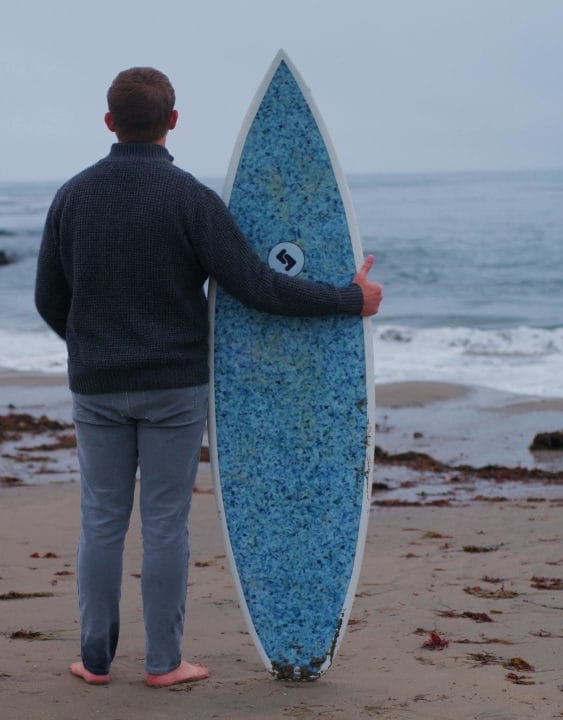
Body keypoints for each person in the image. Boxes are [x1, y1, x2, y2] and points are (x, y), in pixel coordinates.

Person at [34, 66, 382, 689]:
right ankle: (164, 664)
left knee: (102, 521)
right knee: (165, 522)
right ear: (173, 122)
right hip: (174, 388)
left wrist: (93, 348)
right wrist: (349, 300)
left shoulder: (72, 198)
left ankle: (94, 660)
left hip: (97, 387)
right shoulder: (191, 200)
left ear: (110, 123)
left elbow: (48, 299)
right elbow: (258, 287)